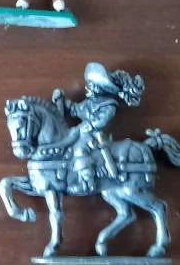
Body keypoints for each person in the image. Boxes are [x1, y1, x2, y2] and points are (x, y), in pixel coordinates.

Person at [53, 62, 145, 193]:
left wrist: (90, 125)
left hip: (97, 136)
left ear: (100, 88)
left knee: (79, 149)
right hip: (83, 133)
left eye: (92, 85)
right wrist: (61, 100)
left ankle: (87, 182)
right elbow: (75, 109)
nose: (88, 87)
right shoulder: (89, 103)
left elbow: (102, 121)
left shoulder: (109, 105)